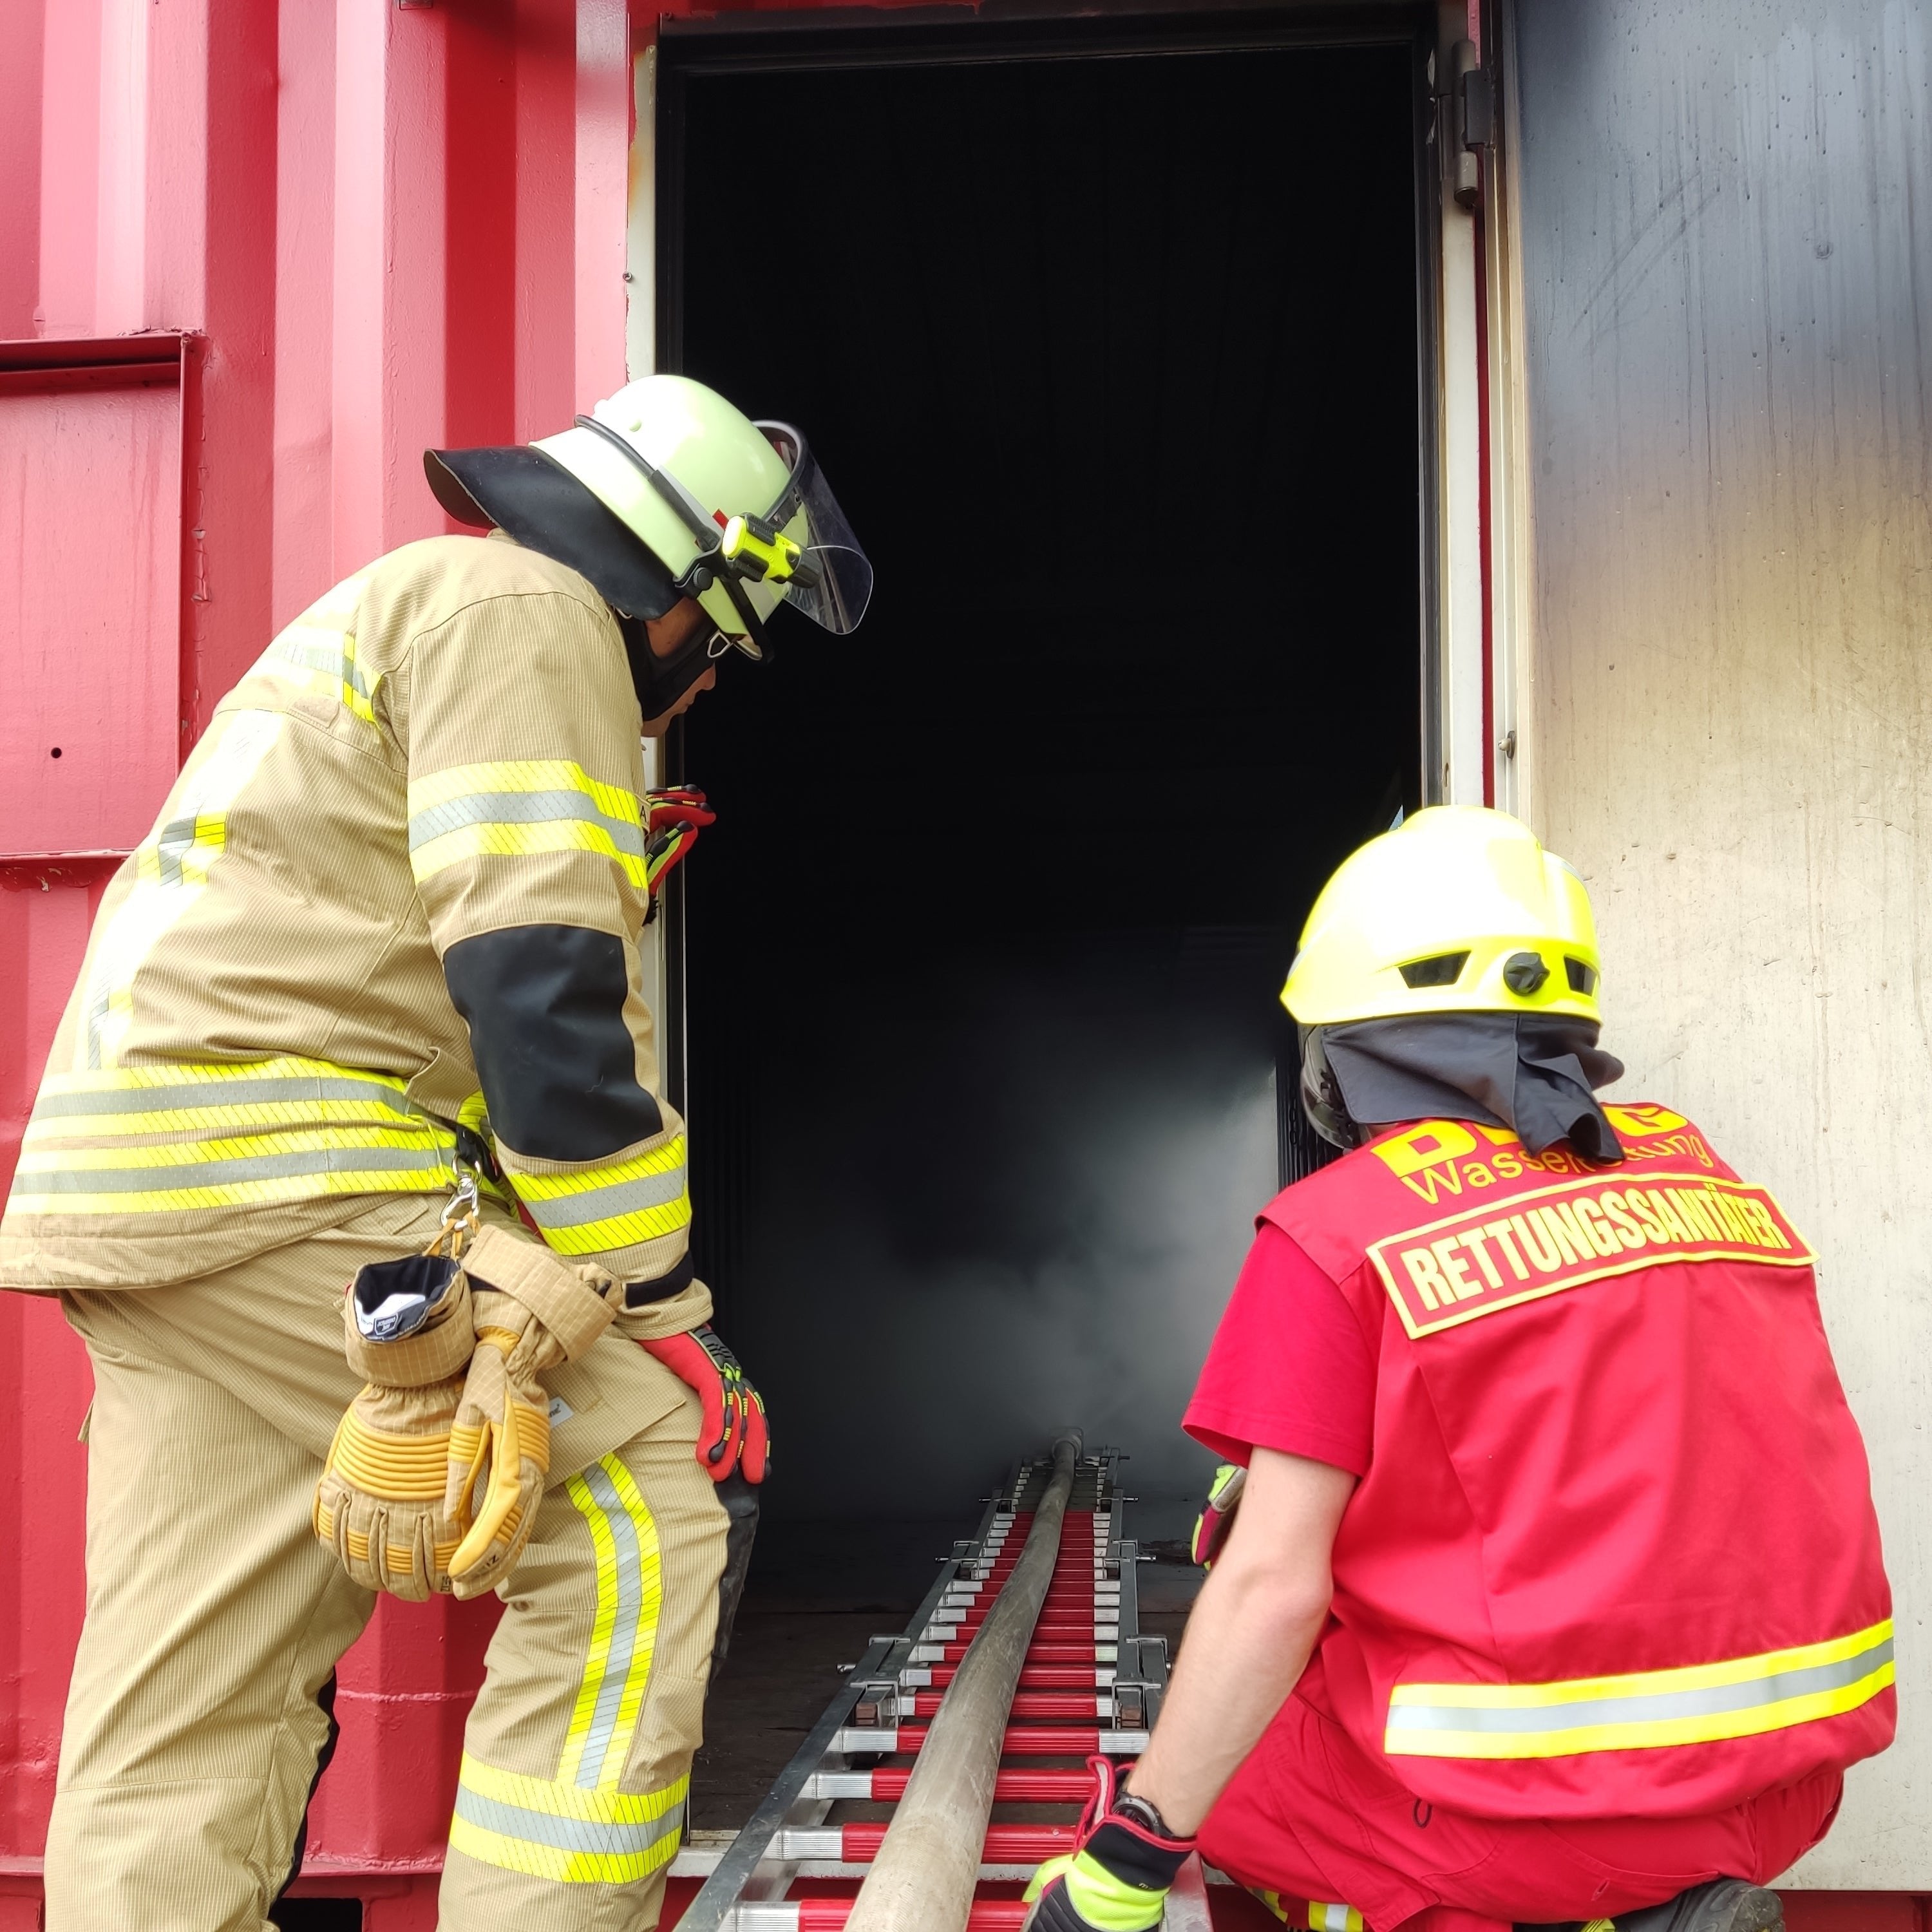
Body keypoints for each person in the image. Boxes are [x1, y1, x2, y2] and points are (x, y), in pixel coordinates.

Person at [0, 374, 871, 1931]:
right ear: (689, 579)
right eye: (727, 642)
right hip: (289, 1170)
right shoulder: (532, 616)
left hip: (148, 1192)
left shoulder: (415, 603)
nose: (705, 686)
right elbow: (538, 987)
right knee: (636, 1509)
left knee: (192, 1684)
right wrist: (658, 1305)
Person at [1023, 807, 1892, 1932]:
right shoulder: (1704, 1176)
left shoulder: (1340, 1231)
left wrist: (1126, 1862)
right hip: (1785, 1792)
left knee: (1223, 1767)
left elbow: (1274, 1588)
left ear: (1340, 1050)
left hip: (1539, 1831)